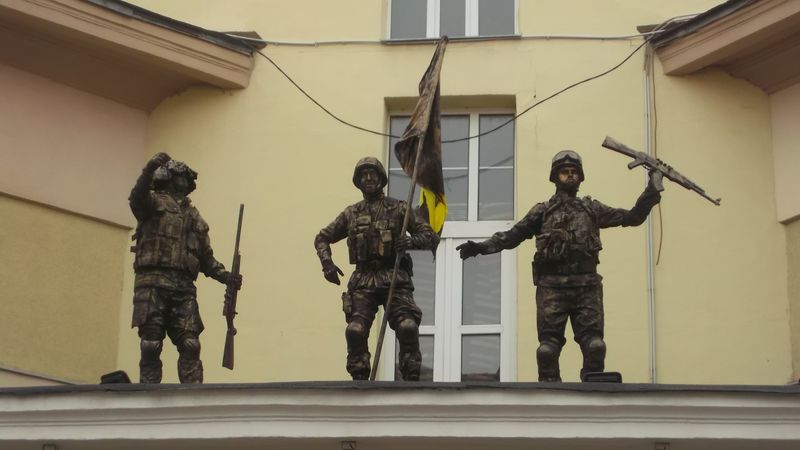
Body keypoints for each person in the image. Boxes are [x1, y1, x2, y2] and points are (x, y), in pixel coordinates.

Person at [457, 150, 662, 382]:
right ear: (555, 177)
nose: (571, 176)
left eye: (575, 172)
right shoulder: (542, 212)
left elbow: (632, 217)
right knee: (546, 351)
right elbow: (512, 235)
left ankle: (595, 389)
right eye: (565, 172)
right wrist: (481, 247)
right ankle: (548, 391)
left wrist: (652, 190)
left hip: (587, 287)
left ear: (581, 177)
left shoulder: (592, 209)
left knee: (595, 347)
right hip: (552, 288)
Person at [314, 157, 439, 380]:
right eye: (364, 175)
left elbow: (430, 236)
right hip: (363, 278)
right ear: (358, 182)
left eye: (373, 174)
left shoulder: (400, 208)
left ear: (381, 179)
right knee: (355, 331)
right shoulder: (351, 213)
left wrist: (410, 242)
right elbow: (322, 237)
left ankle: (411, 377)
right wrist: (327, 265)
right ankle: (359, 379)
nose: (369, 178)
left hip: (394, 277)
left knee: (408, 327)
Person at [129, 152, 242, 383]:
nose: (186, 179)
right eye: (181, 174)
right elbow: (135, 198)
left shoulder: (194, 217)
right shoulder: (152, 202)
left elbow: (206, 259)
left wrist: (226, 276)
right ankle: (147, 398)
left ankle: (193, 396)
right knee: (150, 344)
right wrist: (148, 168)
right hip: (153, 283)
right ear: (169, 177)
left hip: (183, 288)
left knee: (191, 344)